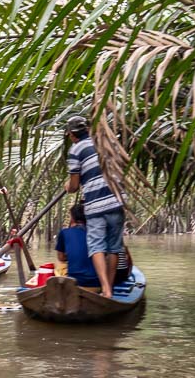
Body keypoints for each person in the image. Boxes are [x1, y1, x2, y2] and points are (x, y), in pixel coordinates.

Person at [64, 115, 124, 298]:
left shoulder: (76, 149)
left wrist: (68, 186)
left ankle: (105, 290)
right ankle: (110, 289)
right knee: (114, 247)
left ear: (72, 135)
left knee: (96, 246)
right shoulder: (107, 142)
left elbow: (74, 186)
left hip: (96, 204)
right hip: (117, 200)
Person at [55, 204, 100, 288]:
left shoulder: (64, 232)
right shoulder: (96, 232)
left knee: (59, 264)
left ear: (72, 218)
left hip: (74, 282)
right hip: (97, 282)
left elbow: (60, 257)